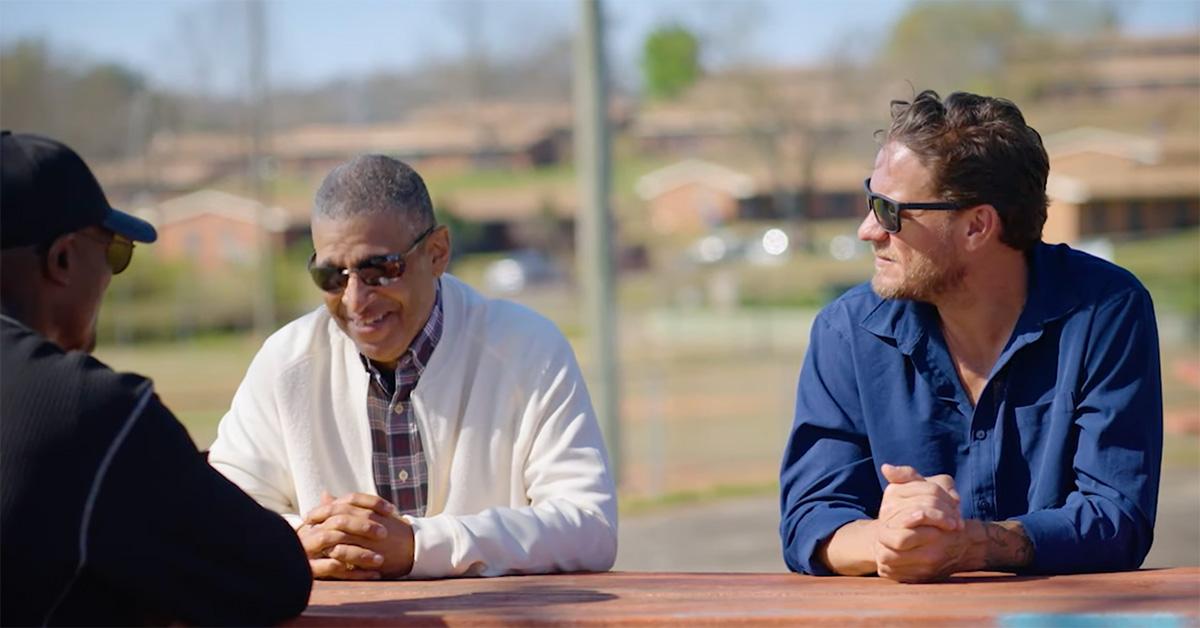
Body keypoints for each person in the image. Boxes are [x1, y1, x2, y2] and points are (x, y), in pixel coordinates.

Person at [779, 91, 1162, 582]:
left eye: (890, 211)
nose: (867, 229)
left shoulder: (1106, 311)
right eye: (870, 200)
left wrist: (969, 544)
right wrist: (892, 539)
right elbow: (810, 519)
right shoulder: (846, 330)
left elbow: (1117, 517)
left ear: (977, 226)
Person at [208, 154, 617, 580]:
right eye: (330, 276)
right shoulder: (284, 364)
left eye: (379, 270)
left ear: (437, 253)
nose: (354, 299)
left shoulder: (528, 347)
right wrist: (300, 543)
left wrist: (420, 545)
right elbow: (212, 524)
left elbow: (590, 527)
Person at [0, 131, 312, 625]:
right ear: (62, 259)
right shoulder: (89, 410)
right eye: (115, 253)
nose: (110, 275)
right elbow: (275, 577)